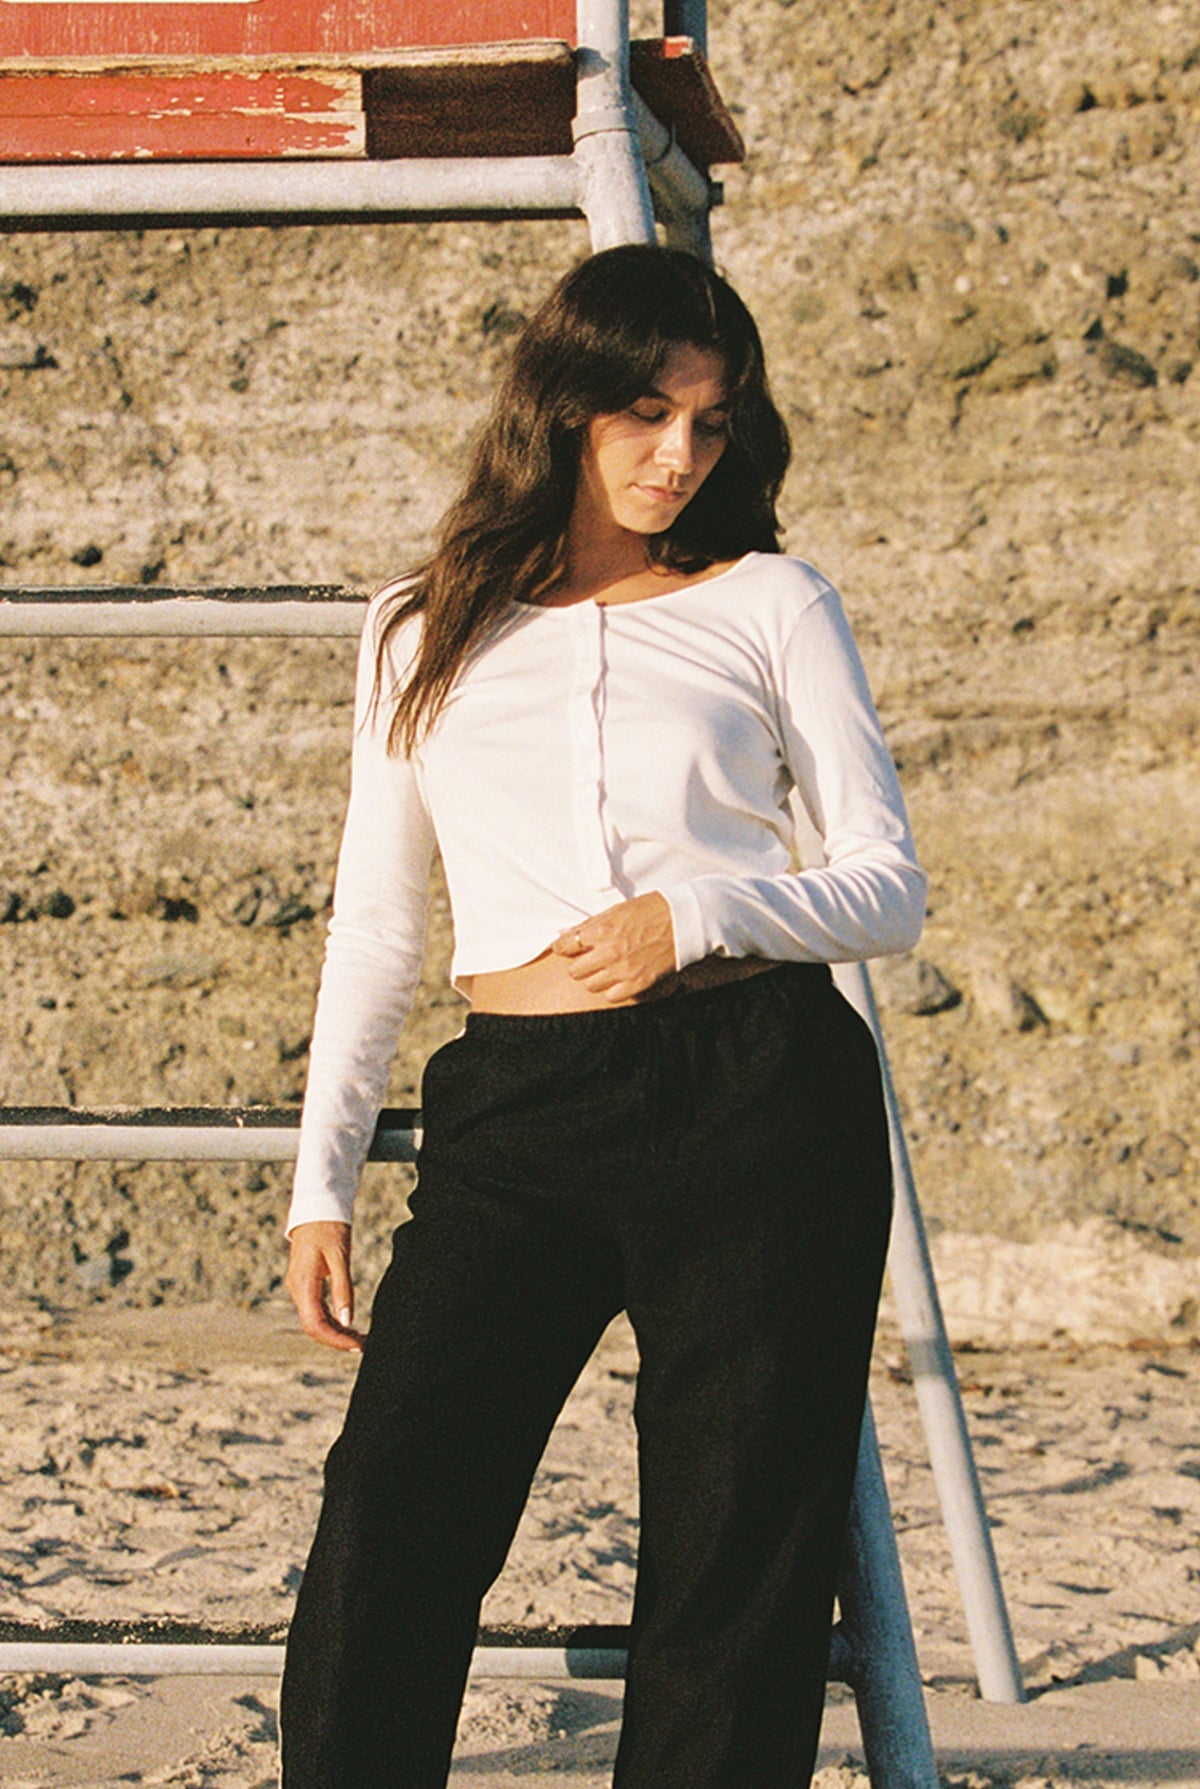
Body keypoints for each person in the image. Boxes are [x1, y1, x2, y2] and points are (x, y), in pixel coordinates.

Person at [278, 243, 926, 1789]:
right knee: (394, 1512)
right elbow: (378, 923)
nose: (679, 454)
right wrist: (322, 1180)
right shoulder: (419, 625)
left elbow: (887, 885)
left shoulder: (772, 601)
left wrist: (693, 915)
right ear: (563, 404)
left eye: (711, 421)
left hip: (760, 1091)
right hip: (519, 1104)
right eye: (646, 412)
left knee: (734, 1558)